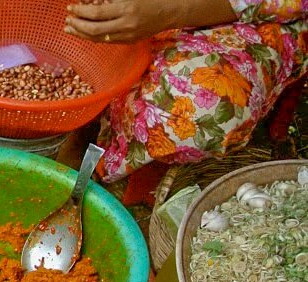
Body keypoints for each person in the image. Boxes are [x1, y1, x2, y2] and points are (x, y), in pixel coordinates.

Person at [63, 0, 307, 181]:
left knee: (204, 107)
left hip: (248, 16)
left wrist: (168, 12)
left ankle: (102, 133)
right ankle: (86, 104)